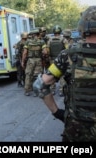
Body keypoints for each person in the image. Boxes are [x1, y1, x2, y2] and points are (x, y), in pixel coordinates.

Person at [33, 6, 96, 141]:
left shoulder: (68, 55)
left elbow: (40, 85)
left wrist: (57, 112)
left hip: (77, 130)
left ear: (83, 27)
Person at [21, 29, 47, 96]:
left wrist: (23, 61)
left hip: (30, 60)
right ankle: (37, 90)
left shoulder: (28, 42)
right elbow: (45, 52)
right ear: (38, 34)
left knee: (28, 75)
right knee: (37, 75)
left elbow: (24, 53)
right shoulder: (41, 42)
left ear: (32, 35)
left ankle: (27, 90)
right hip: (38, 60)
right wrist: (43, 55)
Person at [47, 25, 69, 96]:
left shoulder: (50, 40)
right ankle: (61, 90)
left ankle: (52, 89)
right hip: (62, 60)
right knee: (62, 75)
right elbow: (67, 50)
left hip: (52, 60)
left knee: (52, 74)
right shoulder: (63, 40)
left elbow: (46, 51)